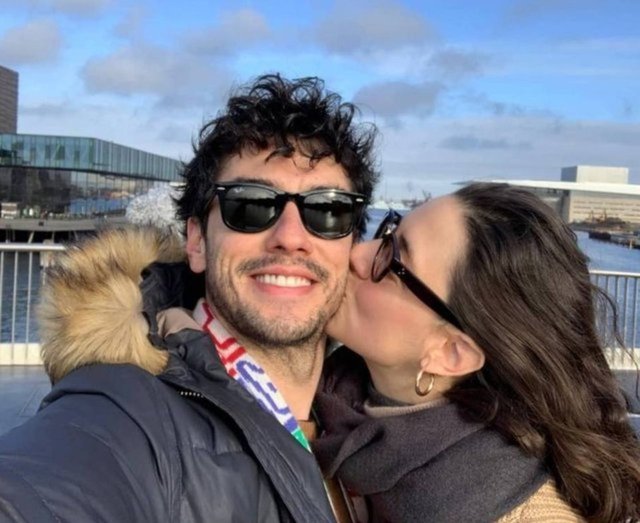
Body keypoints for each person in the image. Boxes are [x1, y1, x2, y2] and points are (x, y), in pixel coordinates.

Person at [0, 74, 378, 522]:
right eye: (250, 205)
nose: (291, 237)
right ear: (196, 242)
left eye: (328, 210)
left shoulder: (366, 417)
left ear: (353, 245)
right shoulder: (127, 415)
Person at [313, 183, 640, 522]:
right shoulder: (330, 398)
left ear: (451, 353)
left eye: (392, 260)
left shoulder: (509, 509)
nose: (356, 253)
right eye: (387, 233)